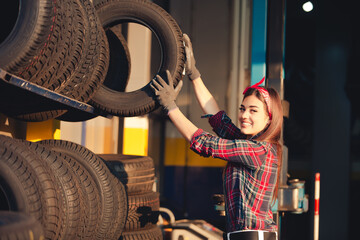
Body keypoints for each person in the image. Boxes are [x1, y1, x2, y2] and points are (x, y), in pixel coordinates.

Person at [151, 34, 283, 240]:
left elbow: (204, 143)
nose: (244, 115)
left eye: (253, 111)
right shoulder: (248, 143)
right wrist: (194, 74)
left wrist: (170, 107)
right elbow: (218, 118)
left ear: (269, 119)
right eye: (242, 108)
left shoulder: (258, 151)